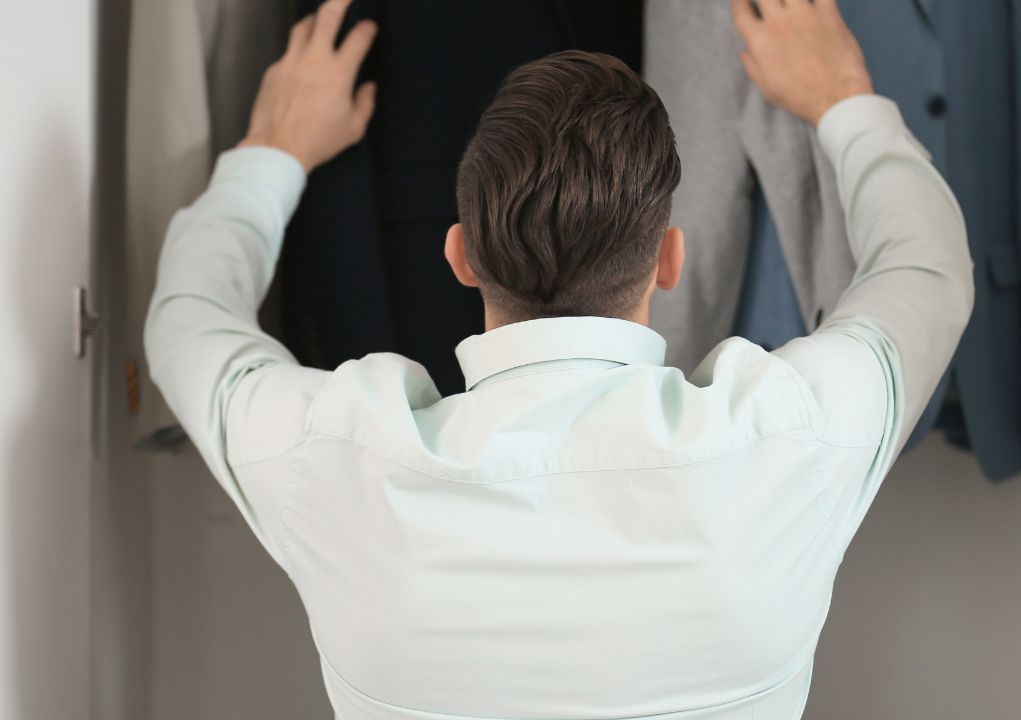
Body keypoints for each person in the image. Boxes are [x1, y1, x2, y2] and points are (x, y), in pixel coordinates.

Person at [144, 0, 974, 716]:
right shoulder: (791, 436)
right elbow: (928, 269)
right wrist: (841, 98)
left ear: (461, 255)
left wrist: (274, 150)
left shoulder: (338, 456)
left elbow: (188, 320)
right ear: (670, 260)